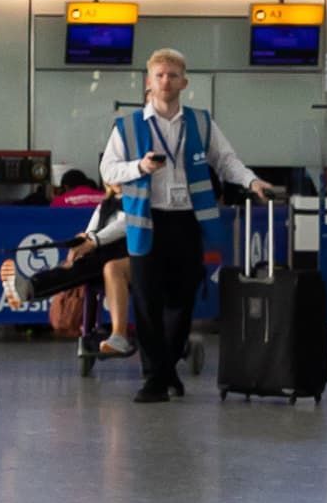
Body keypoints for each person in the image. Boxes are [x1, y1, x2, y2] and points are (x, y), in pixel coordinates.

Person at [100, 48, 277, 402]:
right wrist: (139, 167)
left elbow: (225, 160)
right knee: (147, 300)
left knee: (181, 299)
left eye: (172, 75)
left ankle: (166, 370)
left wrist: (252, 181)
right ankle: (155, 378)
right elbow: (108, 169)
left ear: (184, 82)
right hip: (147, 220)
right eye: (159, 75)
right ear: (148, 82)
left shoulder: (200, 122)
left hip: (186, 220)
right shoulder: (128, 126)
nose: (166, 81)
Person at [48, 167, 135, 356]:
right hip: (101, 258)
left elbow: (123, 226)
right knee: (75, 264)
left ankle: (119, 335)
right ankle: (33, 286)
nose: (116, 181)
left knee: (106, 267)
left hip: (127, 258)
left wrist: (92, 241)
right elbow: (90, 232)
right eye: (112, 176)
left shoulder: (137, 201)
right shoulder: (104, 204)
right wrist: (82, 240)